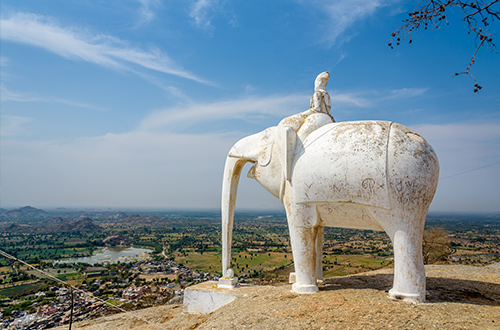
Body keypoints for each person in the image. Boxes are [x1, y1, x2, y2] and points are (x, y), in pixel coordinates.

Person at [278, 71, 334, 140]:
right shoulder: (327, 95)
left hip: (318, 117)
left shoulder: (317, 93)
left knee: (300, 139)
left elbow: (317, 108)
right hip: (329, 118)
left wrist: (301, 114)